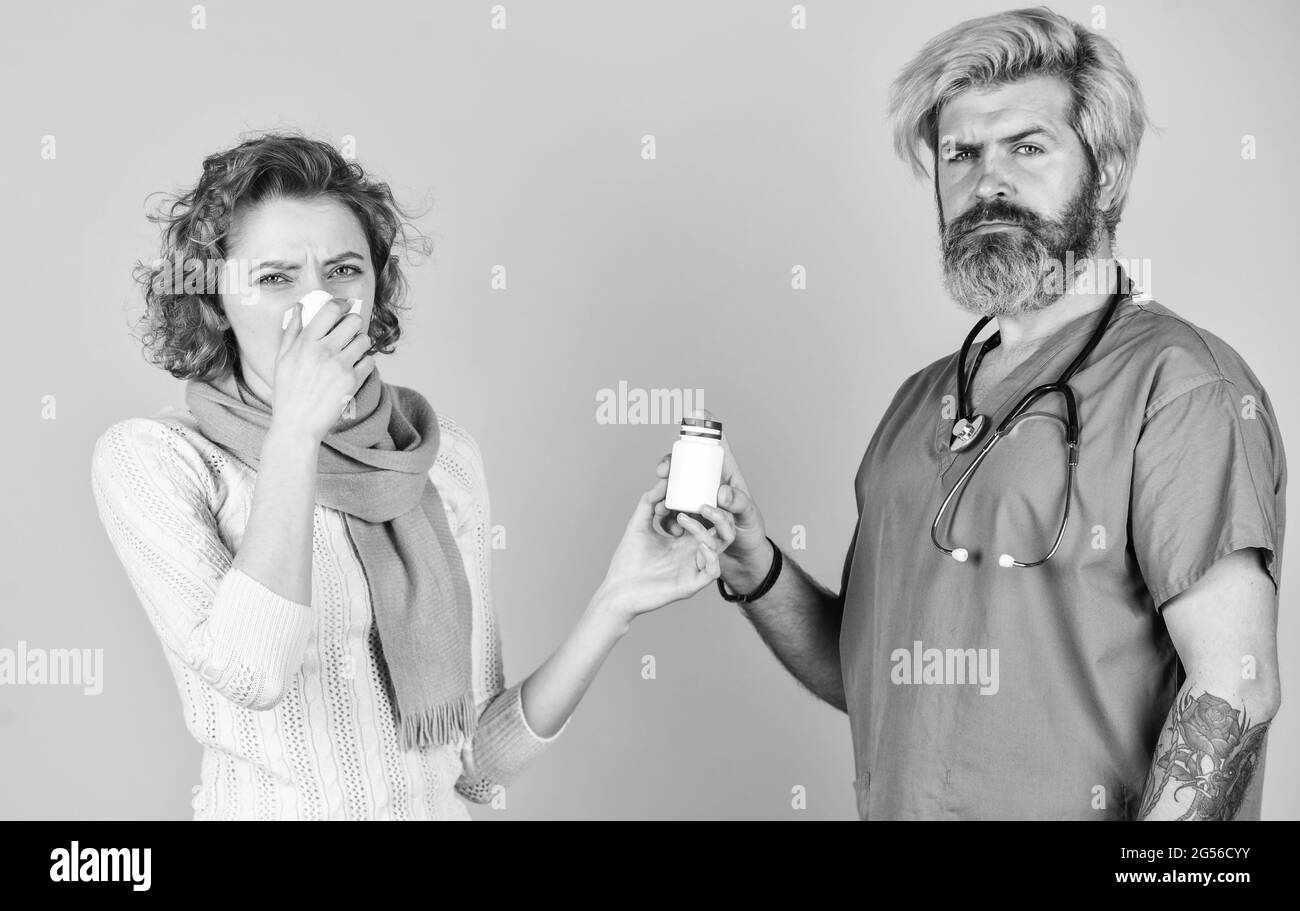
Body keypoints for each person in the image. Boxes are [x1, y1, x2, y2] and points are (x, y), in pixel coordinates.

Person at [663, 7, 1285, 820]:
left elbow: (1234, 684)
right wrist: (752, 565)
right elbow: (875, 674)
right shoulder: (918, 405)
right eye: (961, 153)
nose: (989, 179)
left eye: (1028, 147)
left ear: (1110, 170)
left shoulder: (1181, 386)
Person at [90, 132, 724, 820]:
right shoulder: (156, 459)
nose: (321, 305)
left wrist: (616, 602)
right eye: (274, 278)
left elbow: (476, 761)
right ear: (215, 302)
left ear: (376, 285)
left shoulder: (440, 459)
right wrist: (296, 431)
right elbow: (252, 672)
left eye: (343, 270)